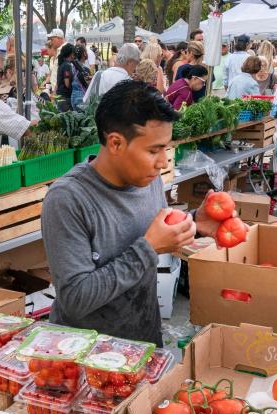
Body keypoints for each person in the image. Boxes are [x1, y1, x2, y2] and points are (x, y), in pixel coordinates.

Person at [40, 80, 194, 346]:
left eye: (166, 147)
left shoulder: (147, 178)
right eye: (153, 150)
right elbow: (76, 299)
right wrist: (148, 249)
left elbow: (160, 233)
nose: (163, 161)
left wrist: (198, 224)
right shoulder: (68, 199)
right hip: (85, 355)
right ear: (115, 143)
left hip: (143, 341)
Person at [55, 43, 76, 111]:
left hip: (60, 95)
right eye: (74, 53)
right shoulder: (67, 65)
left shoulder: (62, 64)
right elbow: (67, 83)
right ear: (71, 54)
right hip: (65, 97)